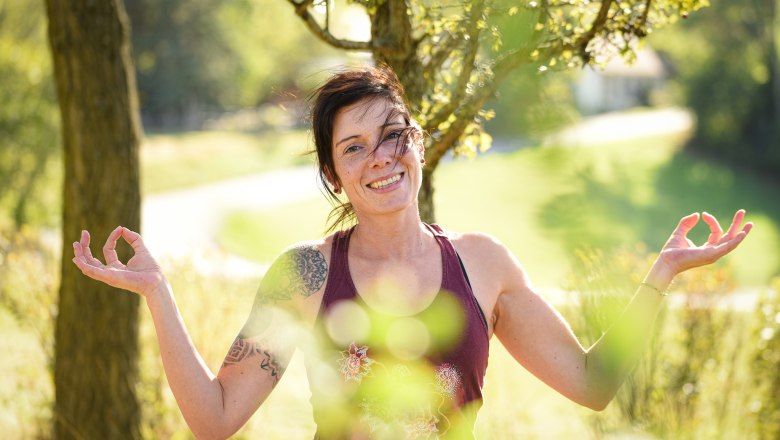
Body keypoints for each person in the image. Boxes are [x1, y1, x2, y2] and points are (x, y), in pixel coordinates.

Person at [71, 66, 752, 439]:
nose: (381, 159)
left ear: (420, 143)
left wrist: (660, 275)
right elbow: (215, 420)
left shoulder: (483, 264)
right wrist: (158, 292)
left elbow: (593, 385)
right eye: (354, 148)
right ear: (335, 175)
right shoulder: (306, 273)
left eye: (393, 135)